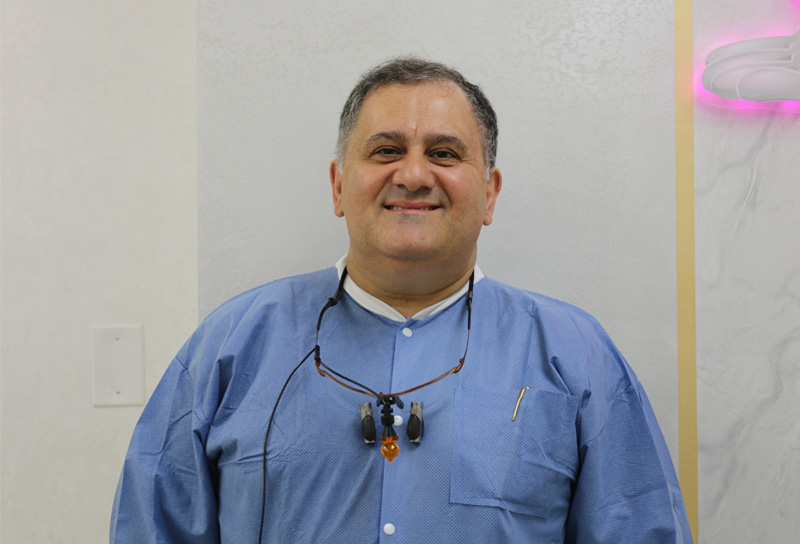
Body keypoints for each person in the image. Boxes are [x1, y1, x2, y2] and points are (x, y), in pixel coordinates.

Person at [110, 57, 693, 543]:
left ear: (490, 194)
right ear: (339, 186)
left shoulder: (576, 354)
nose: (413, 175)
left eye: (444, 154)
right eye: (386, 150)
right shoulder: (232, 346)